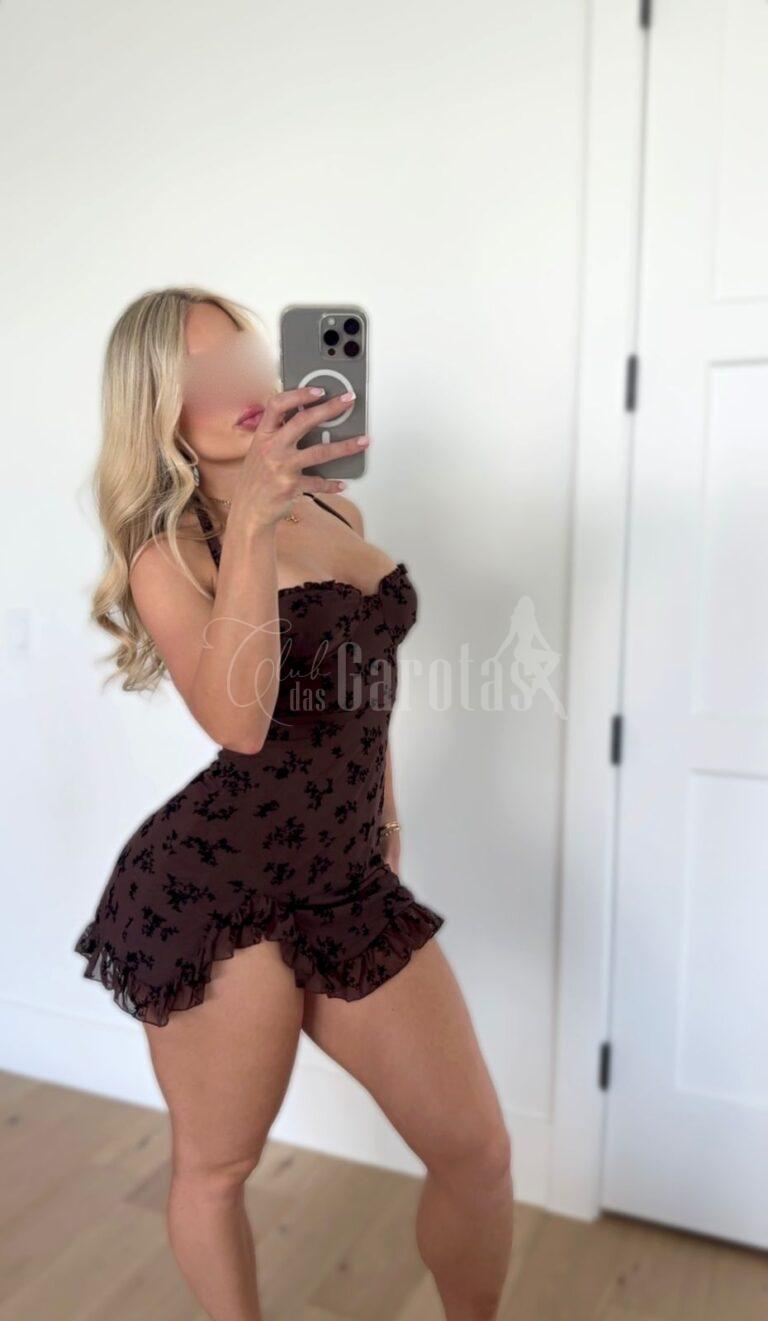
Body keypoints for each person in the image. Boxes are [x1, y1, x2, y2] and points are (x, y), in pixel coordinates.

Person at [73, 286, 514, 1320]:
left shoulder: (336, 509)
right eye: (200, 374)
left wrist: (385, 822)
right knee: (218, 1167)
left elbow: (364, 685)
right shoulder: (168, 554)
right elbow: (239, 722)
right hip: (215, 890)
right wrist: (255, 525)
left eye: (241, 355)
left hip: (346, 873)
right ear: (157, 406)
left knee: (477, 1152)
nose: (235, 385)